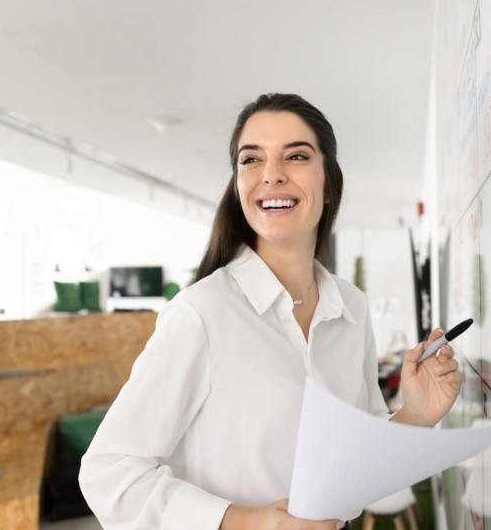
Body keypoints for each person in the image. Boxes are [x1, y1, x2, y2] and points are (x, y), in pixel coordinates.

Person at [79, 93, 463, 530]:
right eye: (251, 159)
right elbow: (108, 472)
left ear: (329, 181)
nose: (272, 175)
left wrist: (415, 415)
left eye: (296, 156)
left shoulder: (351, 307)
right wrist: (248, 522)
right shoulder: (200, 314)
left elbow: (358, 465)